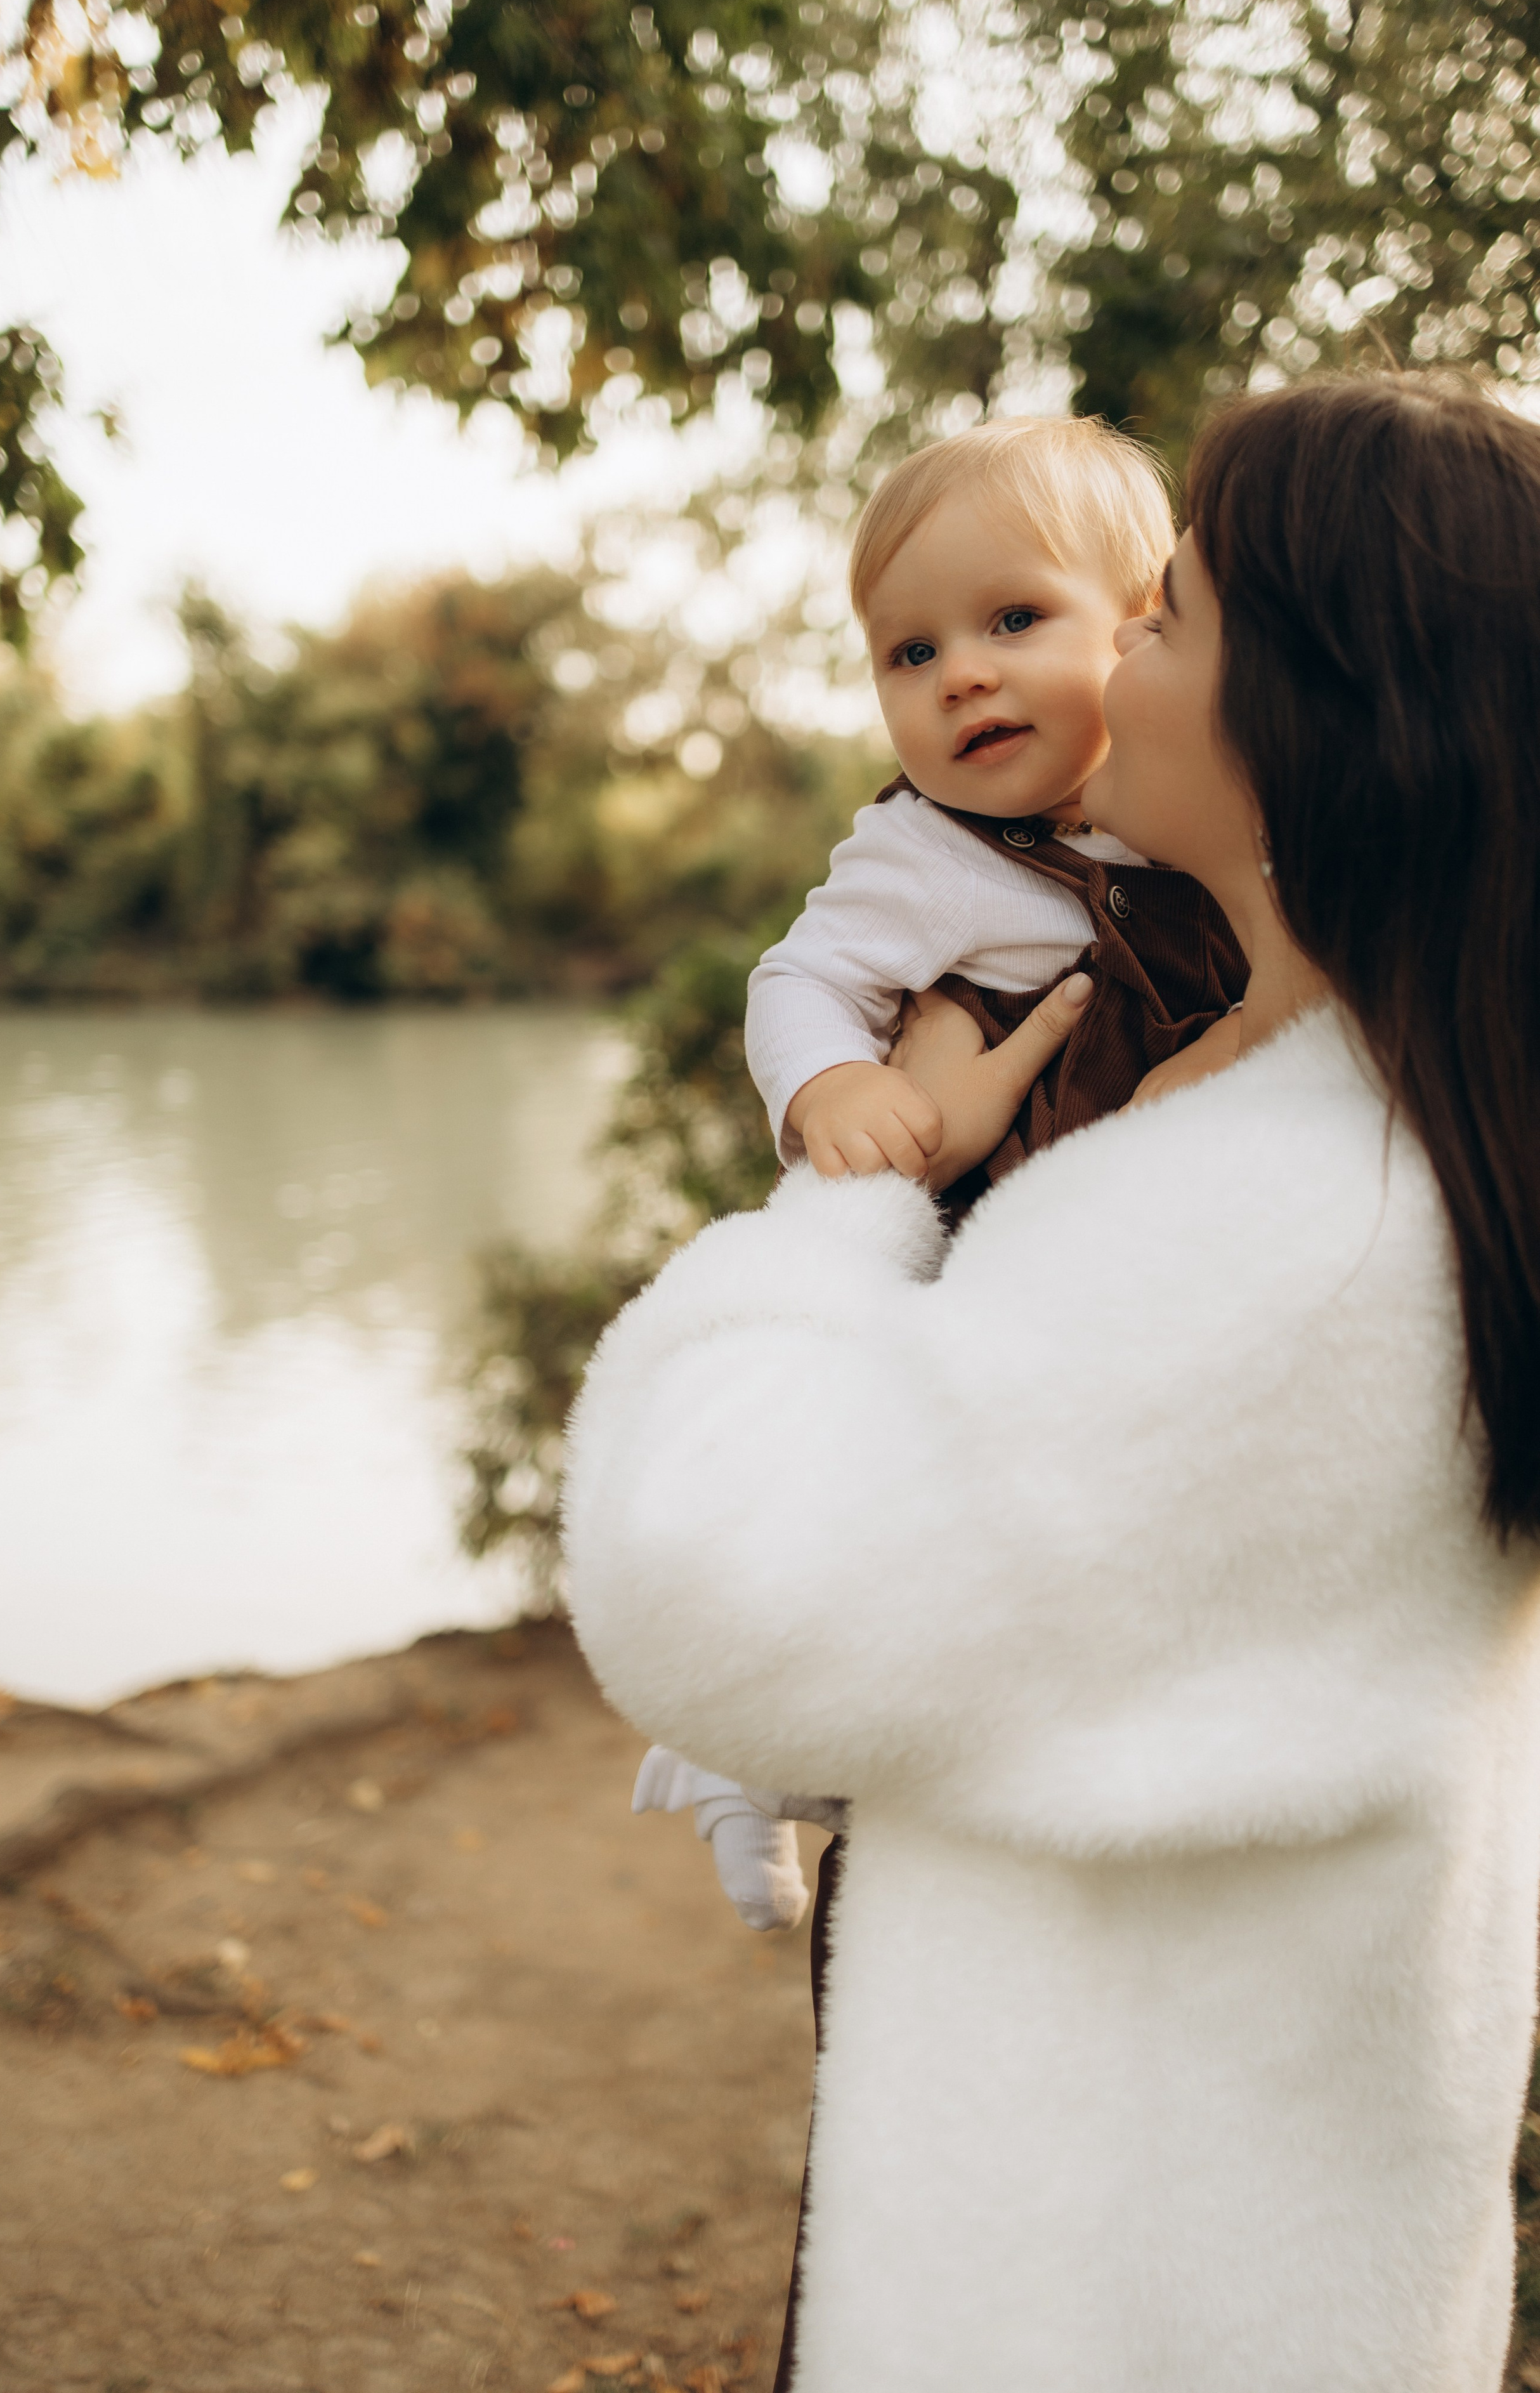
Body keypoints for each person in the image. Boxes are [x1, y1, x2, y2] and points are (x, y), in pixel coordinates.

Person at [563, 370, 1540, 2392]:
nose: (1097, 668)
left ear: (1317, 711)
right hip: (1249, 2204)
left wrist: (869, 1191)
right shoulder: (1366, 1123)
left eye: (1163, 612)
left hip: (1108, 2272)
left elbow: (721, 1587)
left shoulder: (1277, 1214)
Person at [633, 414, 1244, 1934]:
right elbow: (799, 976)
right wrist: (831, 1081)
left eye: (1012, 620)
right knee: (870, 1508)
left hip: (1114, 1262)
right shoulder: (924, 857)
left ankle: (797, 1749)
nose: (957, 673)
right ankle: (735, 1748)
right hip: (962, 1231)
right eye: (906, 655)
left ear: (1143, 629)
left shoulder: (1205, 827)